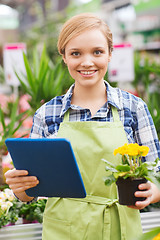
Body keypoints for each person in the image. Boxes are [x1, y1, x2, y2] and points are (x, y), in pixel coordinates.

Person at [5, 13, 160, 240]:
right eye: (76, 53)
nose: (87, 62)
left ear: (109, 55)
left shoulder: (133, 108)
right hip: (64, 231)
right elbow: (32, 192)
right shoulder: (47, 114)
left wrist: (154, 191)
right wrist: (22, 189)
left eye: (97, 52)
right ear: (64, 57)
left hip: (120, 228)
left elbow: (156, 171)